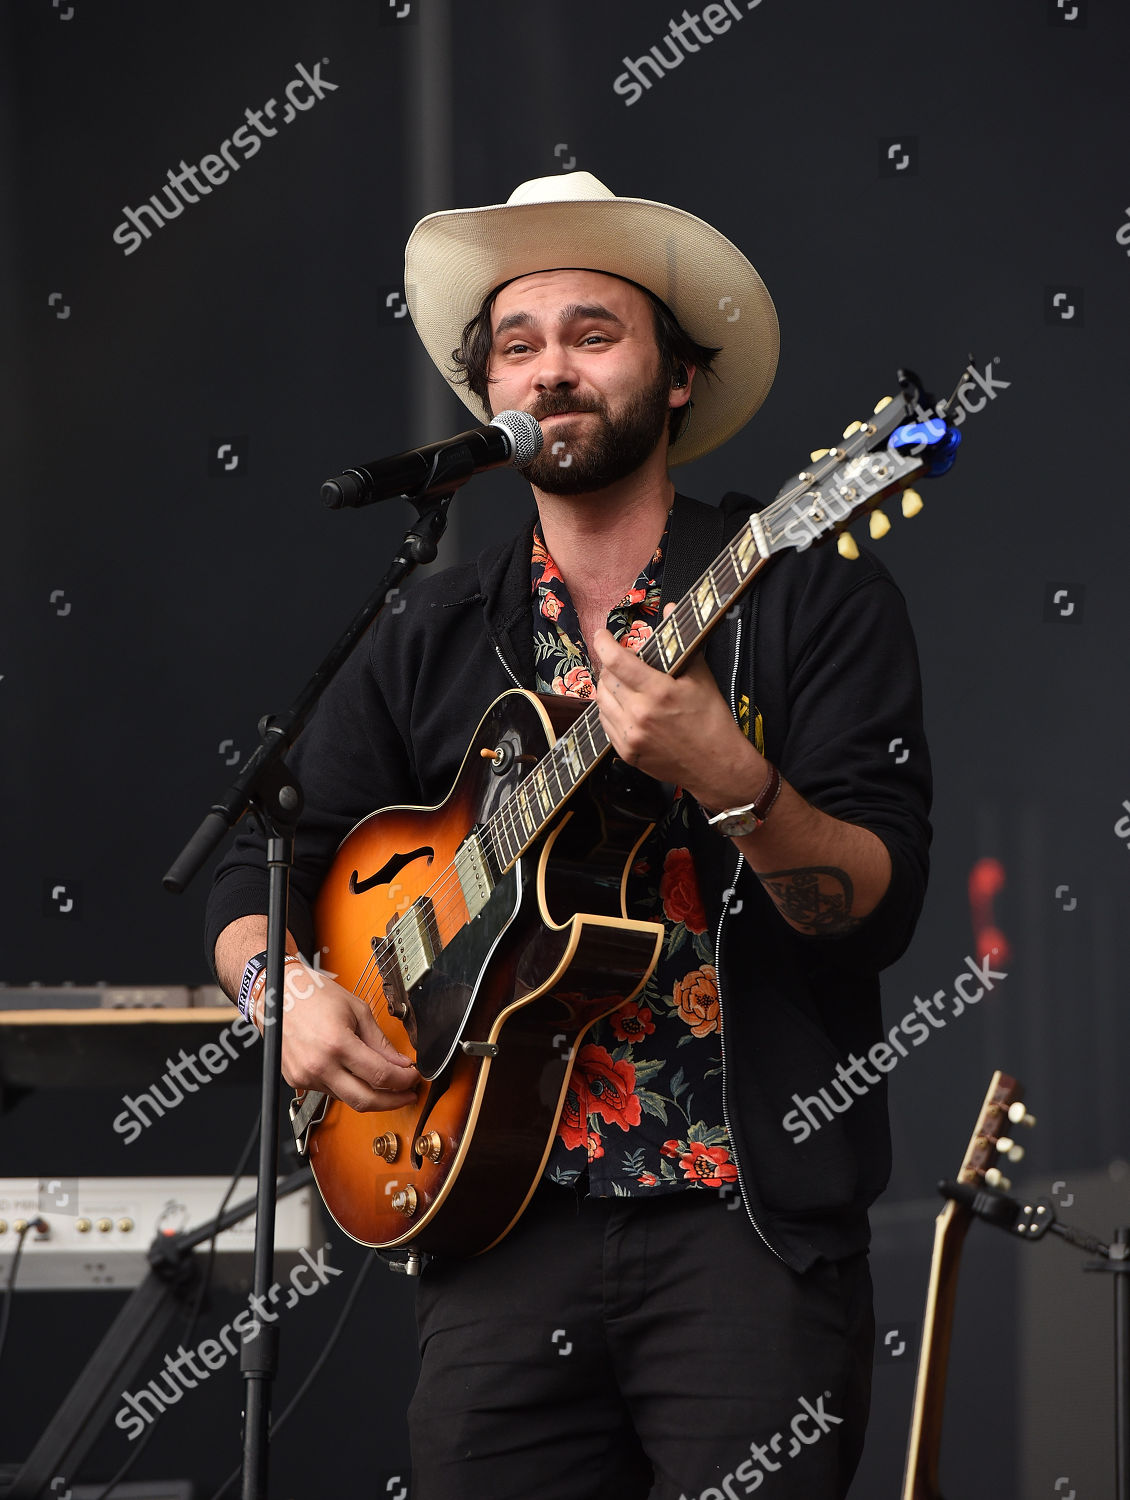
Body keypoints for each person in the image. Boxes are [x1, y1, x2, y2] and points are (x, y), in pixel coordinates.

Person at [205, 172, 931, 1500]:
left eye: (594, 333)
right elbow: (263, 879)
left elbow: (876, 911)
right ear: (489, 394)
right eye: (518, 345)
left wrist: (733, 783)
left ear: (678, 377)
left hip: (742, 1234)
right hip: (489, 1223)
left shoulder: (804, 598)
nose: (552, 369)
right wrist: (282, 990)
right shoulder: (430, 630)